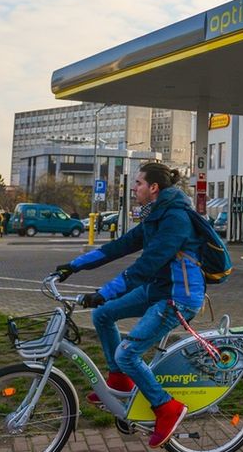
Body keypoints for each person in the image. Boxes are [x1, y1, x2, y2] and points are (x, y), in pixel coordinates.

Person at [55, 163, 207, 448]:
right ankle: (120, 381)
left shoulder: (175, 219)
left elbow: (146, 265)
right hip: (157, 290)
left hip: (179, 298)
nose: (134, 188)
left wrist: (105, 292)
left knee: (127, 353)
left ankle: (166, 407)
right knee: (102, 315)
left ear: (153, 188)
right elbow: (119, 246)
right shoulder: (155, 215)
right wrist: (73, 266)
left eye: (138, 183)